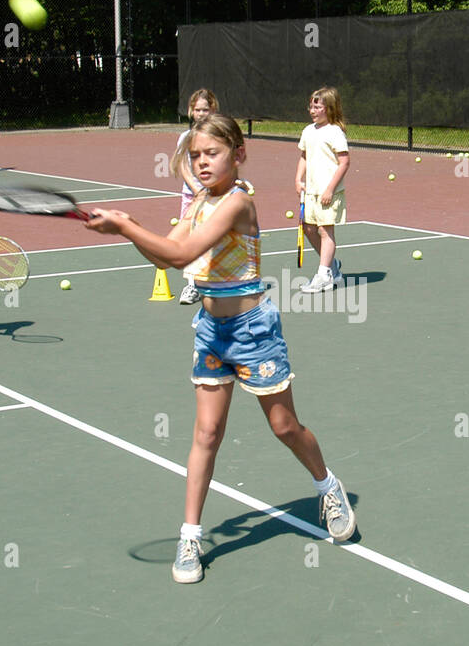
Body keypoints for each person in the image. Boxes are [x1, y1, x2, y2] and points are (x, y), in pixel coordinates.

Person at [84, 114, 356, 583]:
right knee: (206, 435)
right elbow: (166, 255)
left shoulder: (238, 202)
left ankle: (328, 486)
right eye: (195, 156)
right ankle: (190, 534)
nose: (202, 162)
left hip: (253, 330)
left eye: (212, 153)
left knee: (284, 426)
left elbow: (181, 257)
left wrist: (127, 227)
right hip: (211, 330)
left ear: (238, 153)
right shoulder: (197, 205)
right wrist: (130, 230)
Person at [295, 86, 350, 293]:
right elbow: (304, 156)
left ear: (329, 108)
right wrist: (298, 178)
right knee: (309, 228)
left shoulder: (335, 132)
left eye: (317, 106)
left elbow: (344, 163)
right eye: (310, 106)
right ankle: (332, 267)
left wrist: (330, 189)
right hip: (310, 191)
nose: (312, 110)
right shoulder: (308, 131)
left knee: (326, 231)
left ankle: (324, 274)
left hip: (329, 192)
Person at [172, 88, 218, 305]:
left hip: (215, 197)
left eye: (205, 109)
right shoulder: (186, 137)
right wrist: (197, 189)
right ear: (191, 111)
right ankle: (192, 286)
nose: (201, 114)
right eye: (198, 110)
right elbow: (182, 165)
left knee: (214, 239)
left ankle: (214, 281)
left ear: (213, 110)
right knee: (191, 241)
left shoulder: (220, 135)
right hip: (192, 197)